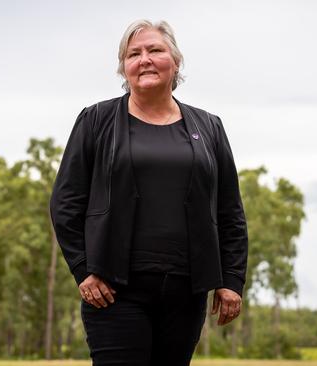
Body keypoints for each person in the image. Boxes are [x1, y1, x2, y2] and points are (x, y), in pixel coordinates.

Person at [49, 19, 248, 366]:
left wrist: (231, 279)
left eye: (154, 50)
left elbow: (230, 211)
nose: (144, 59)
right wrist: (84, 270)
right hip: (113, 292)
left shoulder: (209, 126)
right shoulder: (96, 120)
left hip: (186, 292)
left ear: (176, 61)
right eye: (133, 54)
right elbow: (65, 203)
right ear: (124, 68)